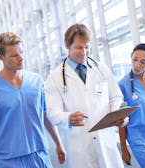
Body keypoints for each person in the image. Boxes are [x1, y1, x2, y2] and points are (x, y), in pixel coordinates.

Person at [0, 32, 66, 168]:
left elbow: (45, 115)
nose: (21, 58)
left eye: (21, 52)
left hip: (39, 155)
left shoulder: (37, 82)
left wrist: (58, 143)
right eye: (14, 55)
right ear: (0, 57)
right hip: (8, 160)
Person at [45, 23, 127, 168]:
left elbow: (116, 97)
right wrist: (68, 118)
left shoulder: (101, 68)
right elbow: (52, 113)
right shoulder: (55, 78)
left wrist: (117, 113)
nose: (84, 52)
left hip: (105, 141)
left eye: (87, 47)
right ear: (67, 45)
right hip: (79, 147)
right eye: (78, 47)